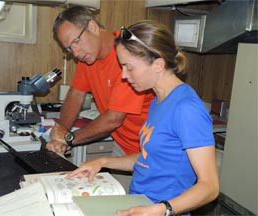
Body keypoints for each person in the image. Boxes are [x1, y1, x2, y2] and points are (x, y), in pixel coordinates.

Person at [66, 20, 220, 216]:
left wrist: (161, 209)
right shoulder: (159, 101)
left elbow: (210, 186)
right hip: (139, 204)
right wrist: (103, 162)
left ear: (158, 64)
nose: (123, 75)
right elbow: (151, 158)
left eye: (129, 67)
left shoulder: (187, 109)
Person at [46, 6, 154, 156]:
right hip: (122, 145)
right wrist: (61, 131)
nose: (76, 53)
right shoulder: (88, 58)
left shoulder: (126, 55)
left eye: (76, 42)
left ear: (93, 26)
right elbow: (75, 94)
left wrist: (68, 138)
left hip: (149, 151)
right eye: (69, 49)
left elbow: (113, 119)